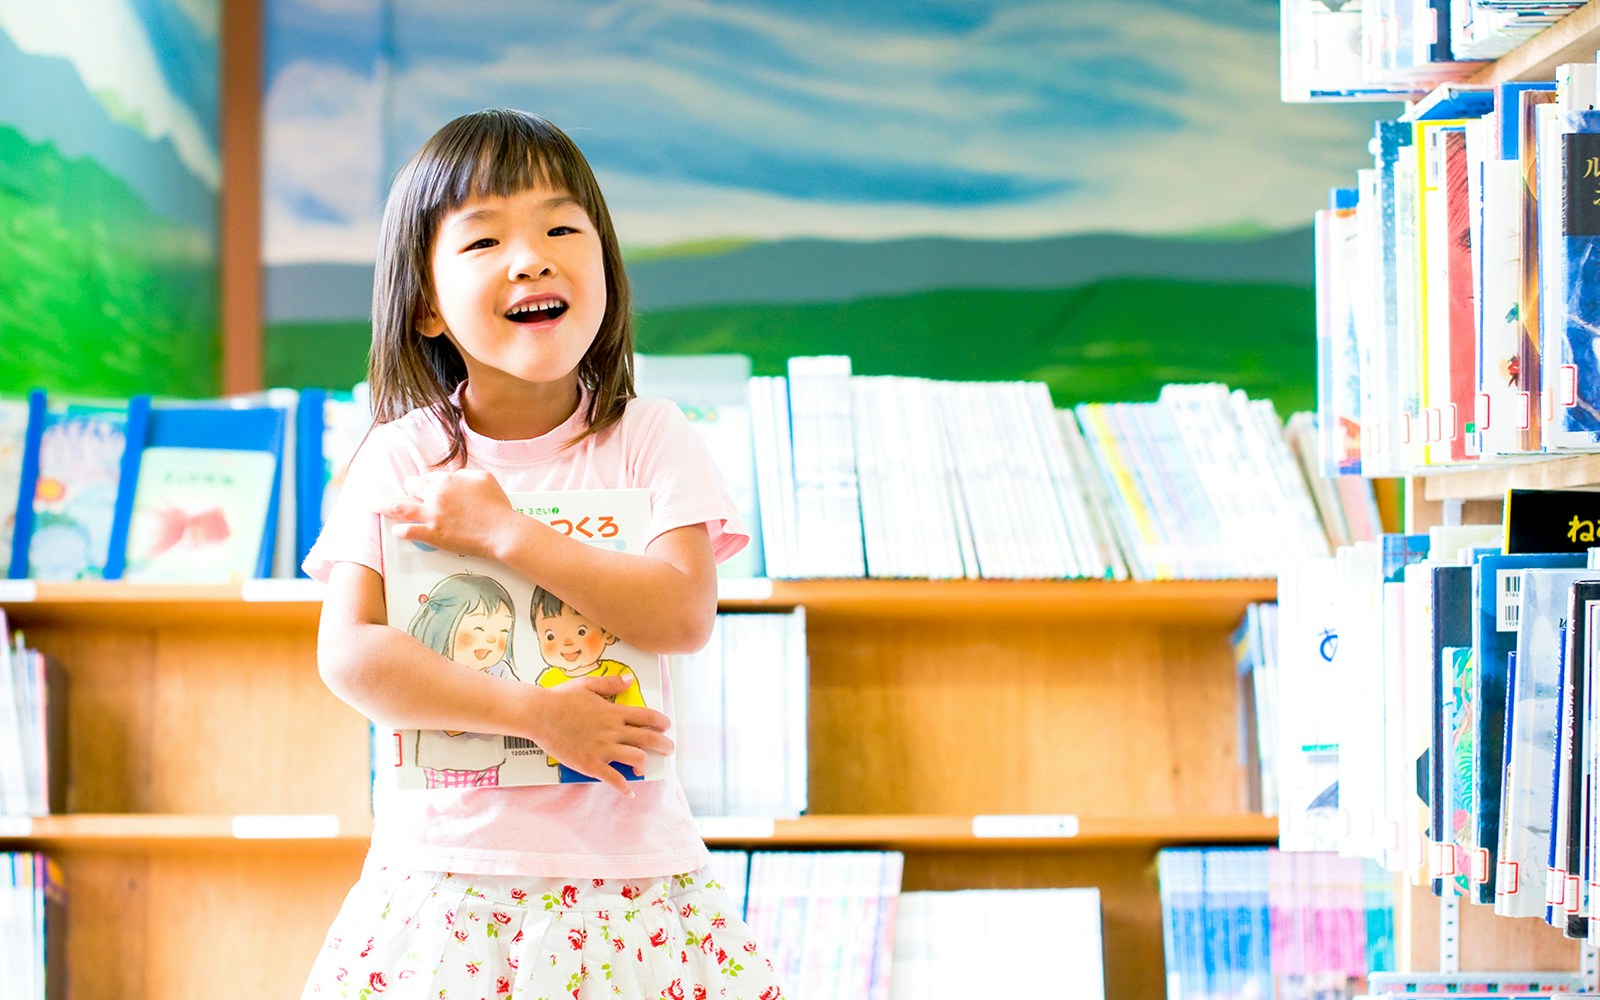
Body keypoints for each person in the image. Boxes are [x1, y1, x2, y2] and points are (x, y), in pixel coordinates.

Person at [299, 108, 785, 999]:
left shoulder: (651, 435)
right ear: (425, 306)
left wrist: (505, 533)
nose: (533, 256)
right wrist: (538, 714)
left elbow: (682, 612)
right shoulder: (402, 454)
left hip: (632, 882)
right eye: (484, 240)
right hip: (446, 882)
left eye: (563, 226)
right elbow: (353, 656)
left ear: (604, 266)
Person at [405, 572, 518, 788]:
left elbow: (521, 702)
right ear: (442, 625)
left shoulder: (500, 670)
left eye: (503, 630)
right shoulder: (428, 669)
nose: (493, 639)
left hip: (490, 759)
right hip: (445, 762)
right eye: (479, 629)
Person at [525, 583, 647, 782]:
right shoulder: (547, 680)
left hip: (621, 760)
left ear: (607, 631)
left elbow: (638, 721)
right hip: (568, 762)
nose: (567, 643)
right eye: (550, 635)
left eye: (581, 631)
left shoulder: (619, 673)